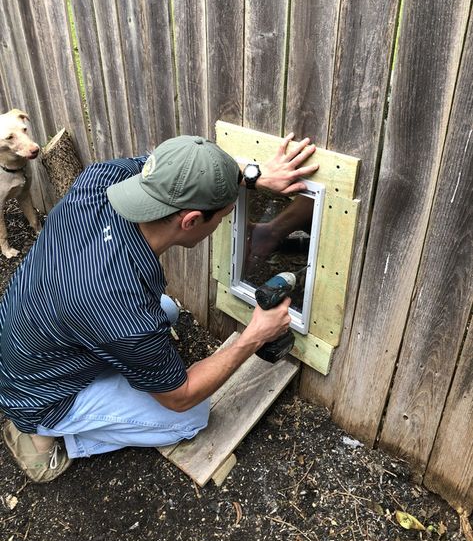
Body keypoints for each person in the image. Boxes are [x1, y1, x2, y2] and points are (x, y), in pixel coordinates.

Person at [0, 132, 318, 483]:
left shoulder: (99, 181)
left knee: (164, 310)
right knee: (191, 416)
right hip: (39, 392)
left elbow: (176, 170)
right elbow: (180, 397)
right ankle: (46, 438)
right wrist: (254, 337)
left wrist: (253, 175)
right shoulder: (120, 307)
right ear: (192, 221)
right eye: (224, 216)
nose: (227, 222)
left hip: (26, 336)